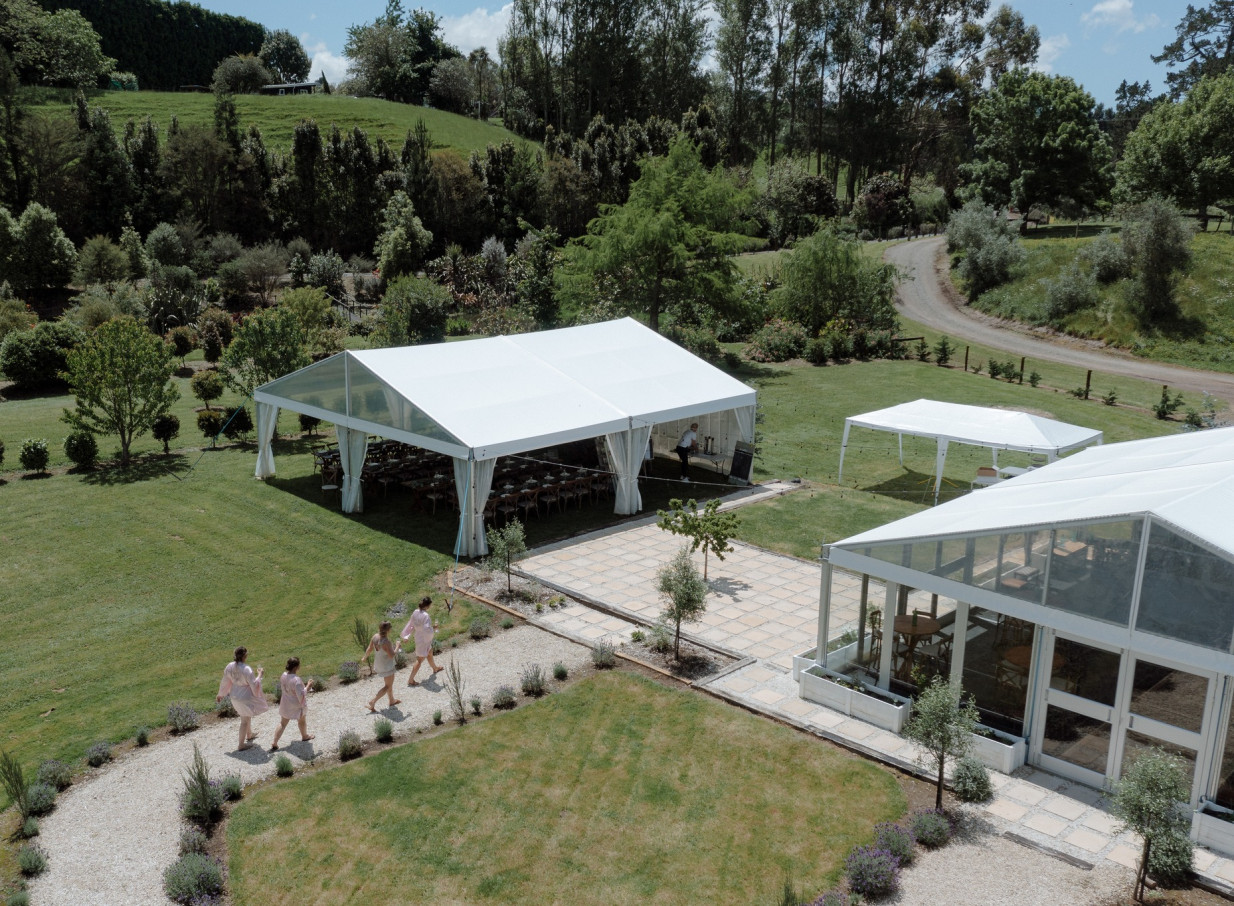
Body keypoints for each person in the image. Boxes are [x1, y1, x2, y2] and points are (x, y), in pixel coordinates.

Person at [217, 646, 268, 751]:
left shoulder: (230, 666)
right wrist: (260, 675)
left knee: (245, 715)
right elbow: (254, 685)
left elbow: (225, 681)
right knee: (244, 720)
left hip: (234, 695)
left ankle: (249, 734)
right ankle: (241, 744)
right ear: (245, 656)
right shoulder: (247, 669)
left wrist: (221, 694)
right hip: (245, 697)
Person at [270, 657, 313, 750]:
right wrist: (308, 686)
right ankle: (304, 736)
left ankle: (275, 741)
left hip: (286, 702)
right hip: (296, 704)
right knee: (301, 720)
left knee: (283, 723)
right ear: (296, 667)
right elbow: (301, 694)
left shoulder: (283, 675)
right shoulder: (296, 680)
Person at [403, 596, 443, 686]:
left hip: (418, 636)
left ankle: (435, 668)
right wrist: (434, 628)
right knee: (420, 659)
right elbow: (427, 629)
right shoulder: (426, 616)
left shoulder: (415, 612)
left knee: (429, 652)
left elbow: (410, 624)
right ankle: (410, 680)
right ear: (428, 606)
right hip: (424, 639)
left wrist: (406, 635)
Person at [365, 621, 401, 712]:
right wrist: (397, 646)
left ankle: (391, 700)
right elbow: (392, 655)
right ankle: (373, 701)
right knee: (388, 686)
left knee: (389, 684)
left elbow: (369, 649)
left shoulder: (375, 637)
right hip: (387, 666)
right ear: (388, 630)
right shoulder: (386, 642)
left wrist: (364, 657)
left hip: (379, 664)